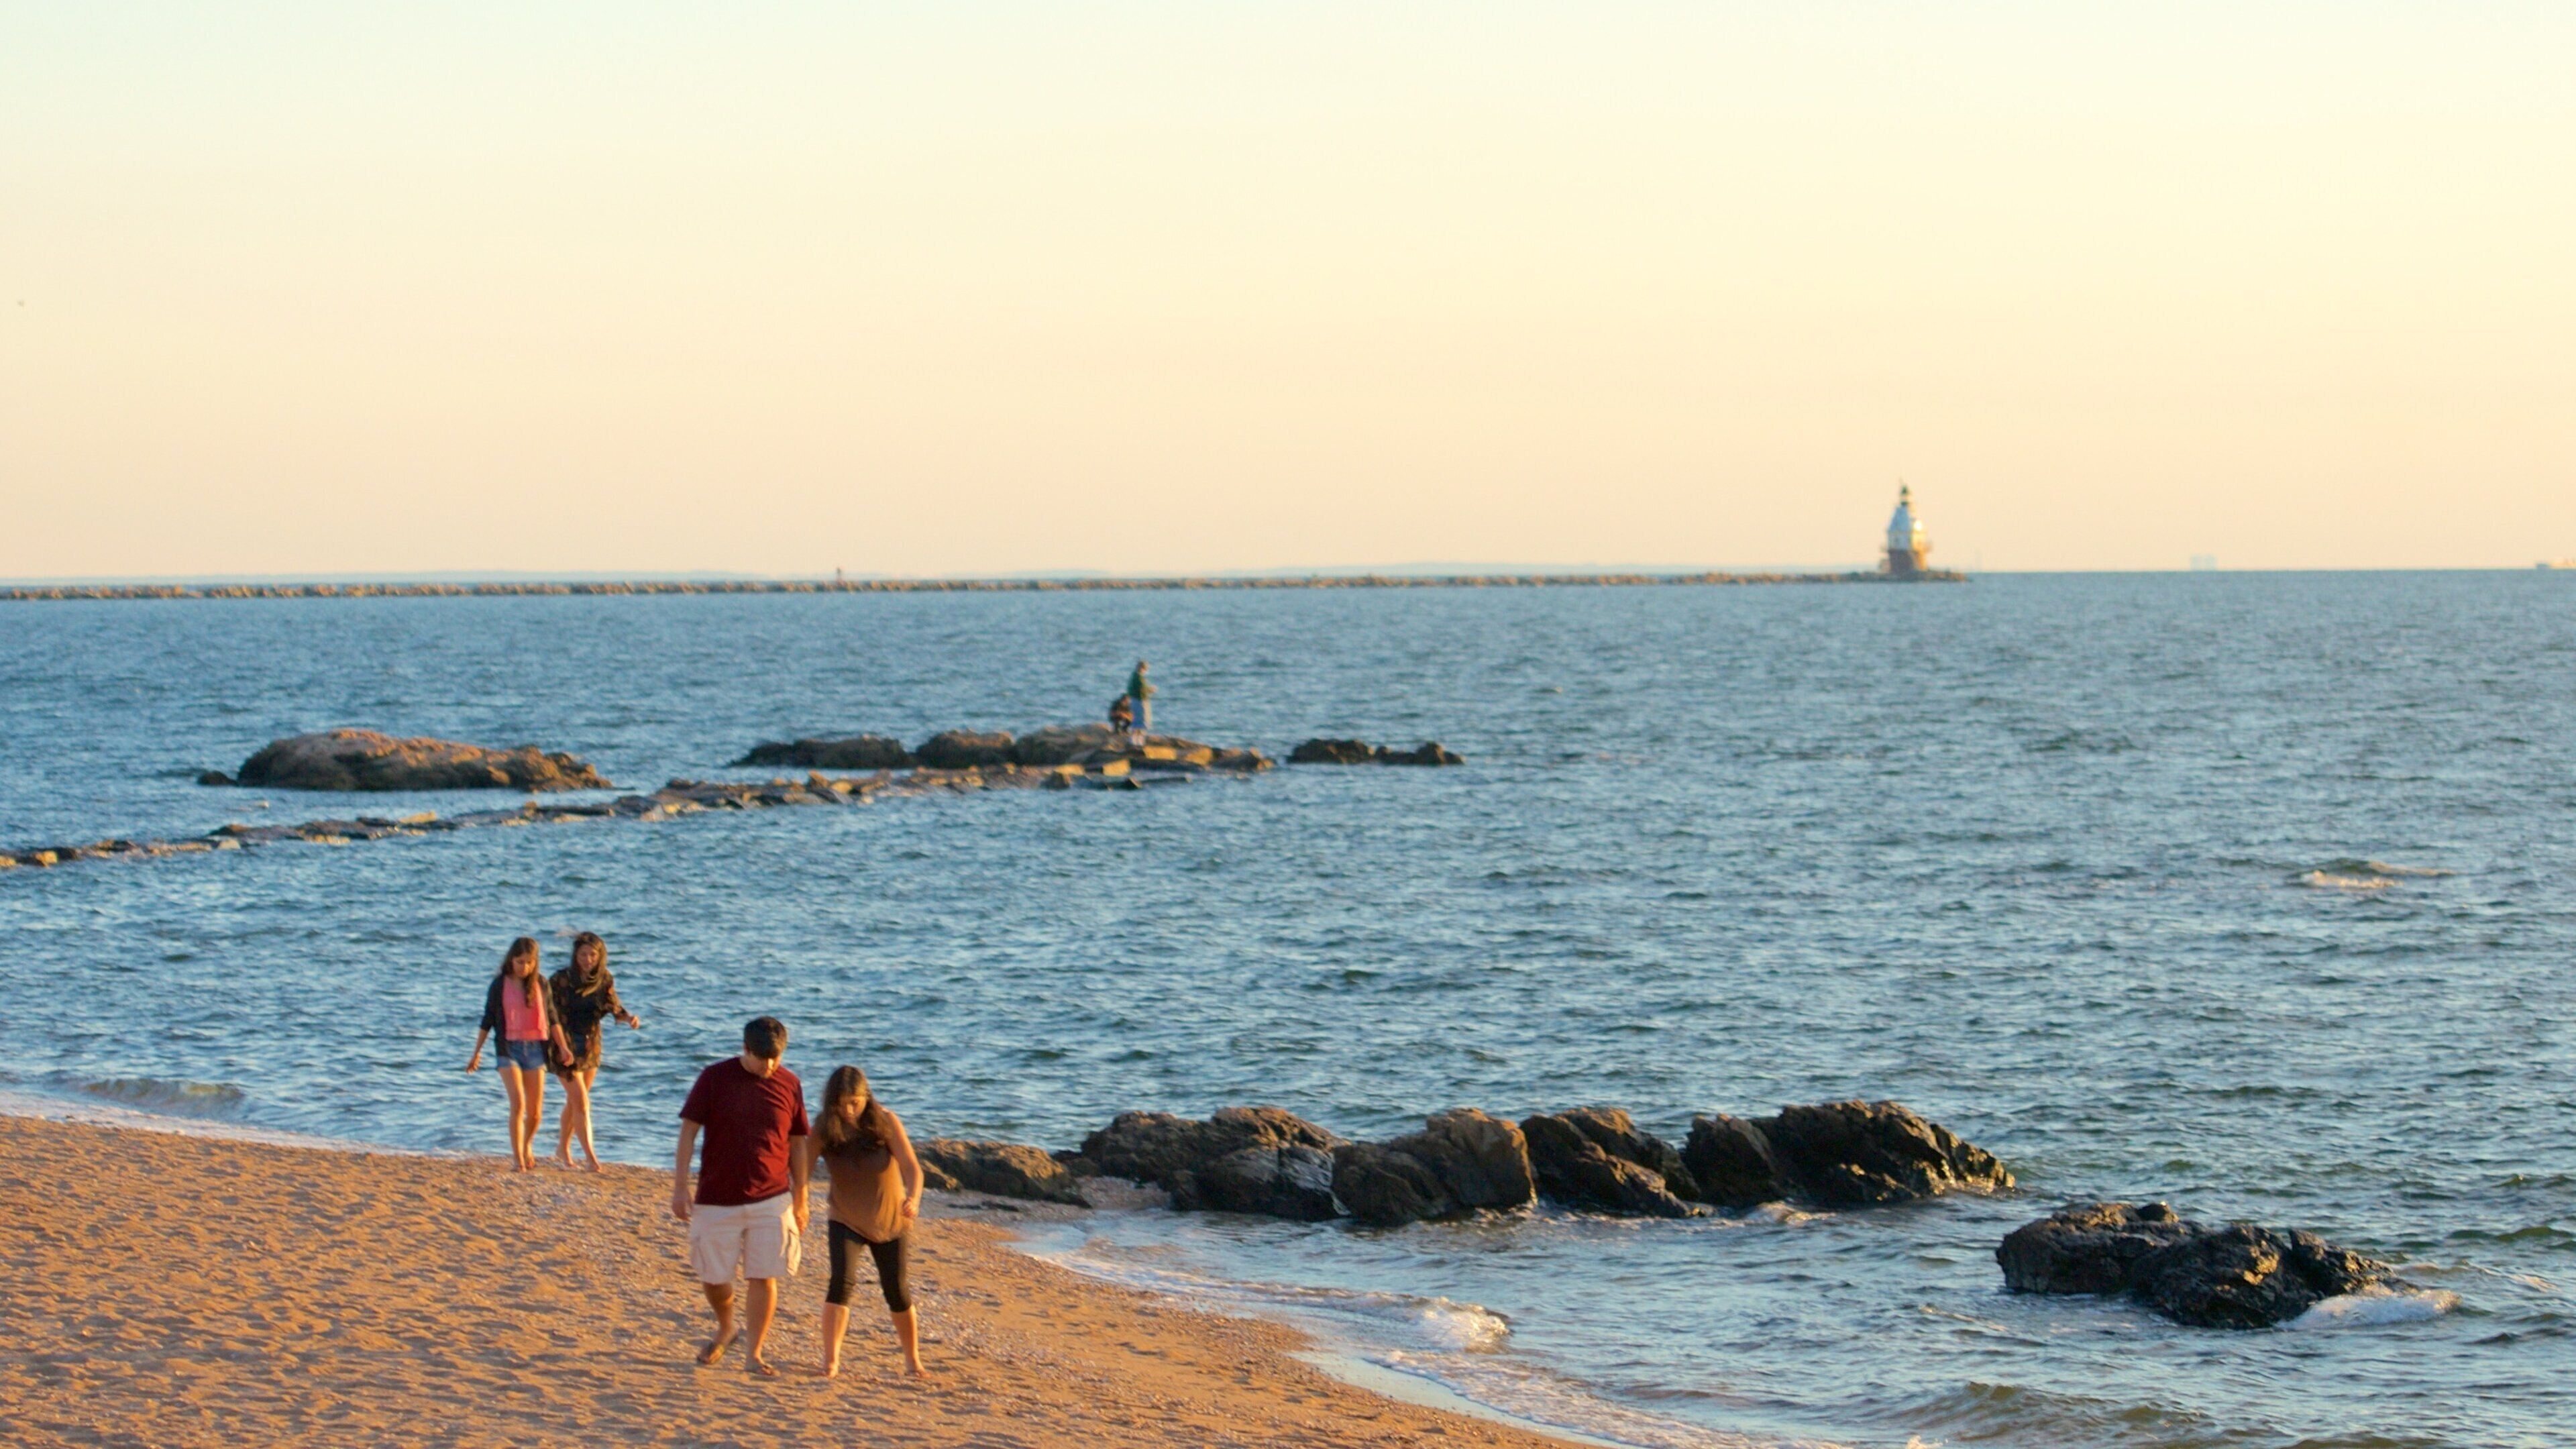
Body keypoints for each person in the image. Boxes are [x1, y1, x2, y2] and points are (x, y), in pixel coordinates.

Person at [673, 1016, 811, 1378]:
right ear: (745, 1049)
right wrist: (679, 1186)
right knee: (714, 1277)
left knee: (765, 1275)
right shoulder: (714, 1078)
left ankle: (755, 1353)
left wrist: (803, 1195)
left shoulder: (790, 1083)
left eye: (776, 1059)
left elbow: (798, 1142)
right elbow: (688, 1131)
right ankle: (726, 1325)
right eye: (762, 1058)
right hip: (717, 1196)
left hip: (773, 1196)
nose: (769, 1066)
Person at [806, 1065, 928, 1379]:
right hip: (845, 1218)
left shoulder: (885, 1122)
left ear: (866, 1098)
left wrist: (913, 1199)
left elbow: (913, 1169)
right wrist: (798, 1205)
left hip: (891, 1219)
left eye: (855, 1103)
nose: (849, 1111)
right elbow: (801, 1174)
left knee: (896, 1290)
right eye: (842, 1103)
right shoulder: (822, 1129)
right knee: (841, 1283)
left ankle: (913, 1361)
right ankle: (831, 1361)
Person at [464, 936, 571, 1172]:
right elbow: (488, 1020)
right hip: (508, 1049)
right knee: (519, 1104)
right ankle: (518, 1159)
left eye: (529, 962)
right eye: (520, 962)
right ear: (511, 960)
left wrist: (563, 1047)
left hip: (536, 1049)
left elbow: (552, 1018)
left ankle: (527, 1144)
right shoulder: (499, 985)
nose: (525, 967)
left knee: (536, 1113)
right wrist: (476, 1053)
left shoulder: (541, 984)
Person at [549, 931, 643, 1171]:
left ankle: (562, 1148)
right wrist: (558, 1045)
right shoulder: (560, 980)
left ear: (600, 956)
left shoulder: (604, 979)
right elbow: (548, 1014)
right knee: (582, 1103)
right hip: (563, 1045)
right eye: (583, 954)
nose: (588, 959)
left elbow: (615, 1009)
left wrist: (629, 1018)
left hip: (591, 1046)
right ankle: (591, 1158)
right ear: (575, 954)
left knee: (575, 1101)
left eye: (593, 955)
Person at [1124, 659, 1155, 745]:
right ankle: (1139, 741)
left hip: (1134, 701)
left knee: (1136, 721)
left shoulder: (1134, 676)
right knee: (1141, 721)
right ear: (1142, 668)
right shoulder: (1139, 678)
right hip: (1140, 701)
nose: (1146, 671)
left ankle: (1134, 741)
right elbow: (1142, 690)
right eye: (1146, 669)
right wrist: (1151, 690)